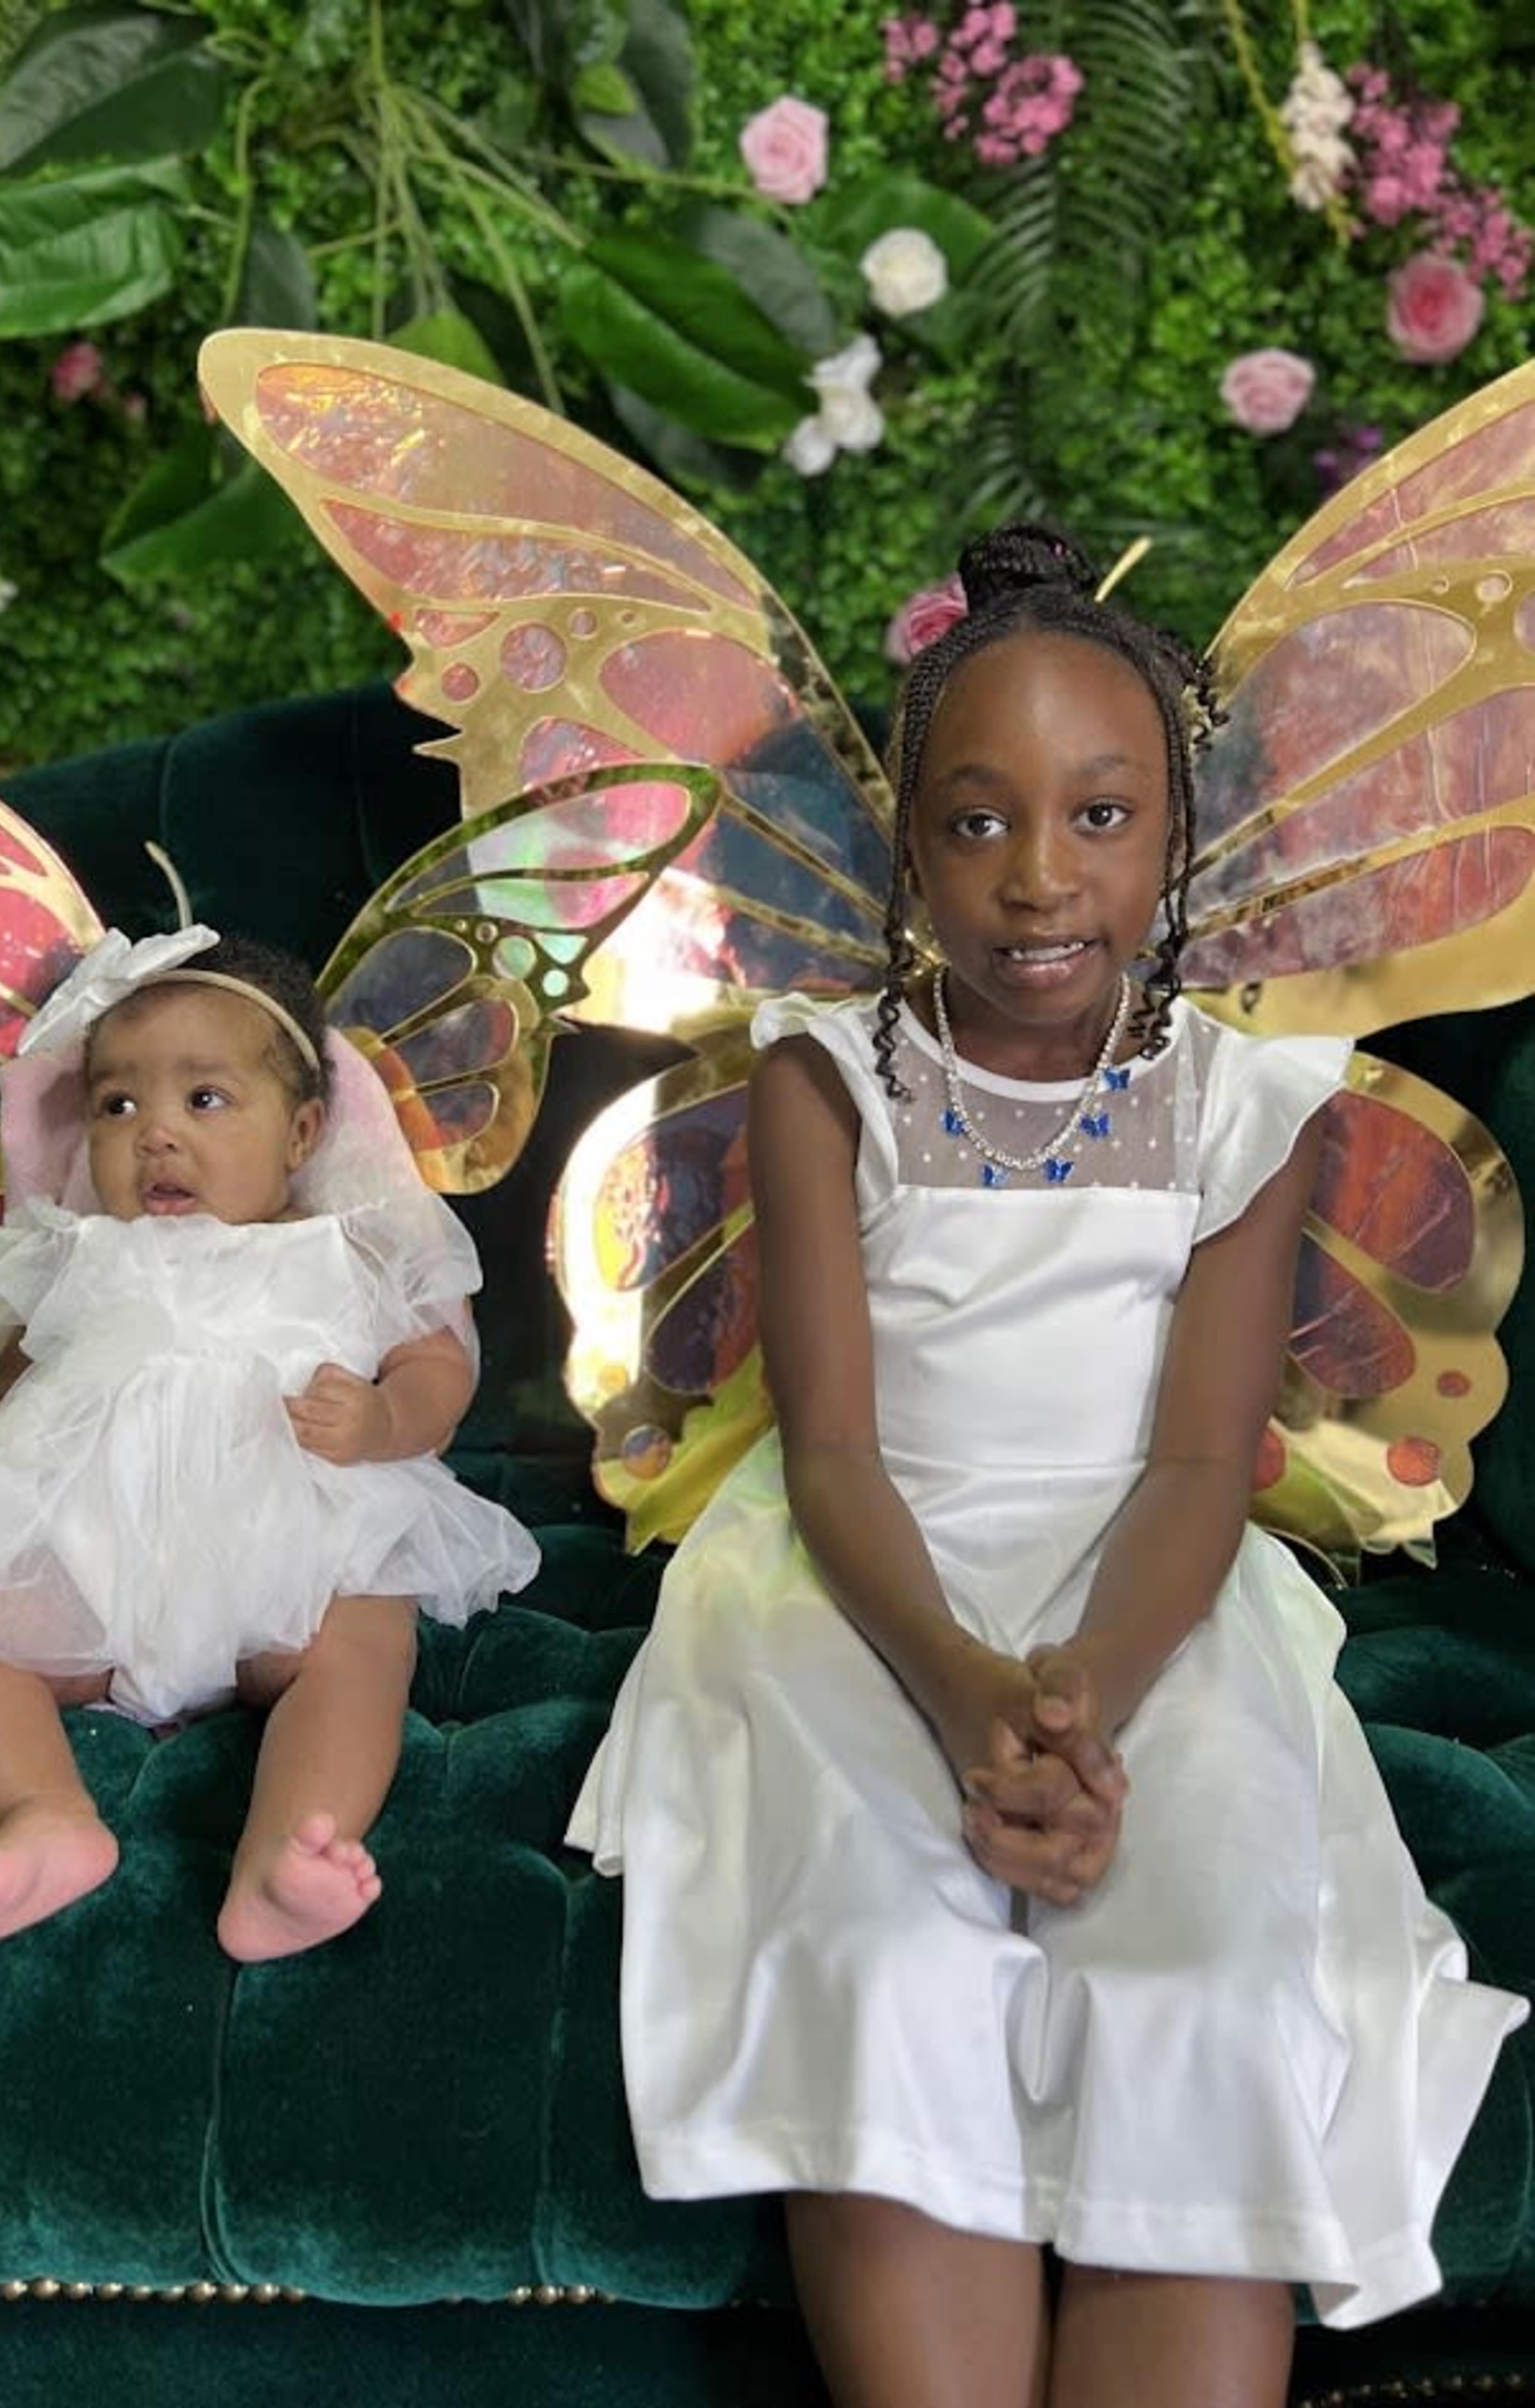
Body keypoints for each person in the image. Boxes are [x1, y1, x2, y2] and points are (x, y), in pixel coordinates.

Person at [565, 525, 1527, 2408]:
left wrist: (1077, 1700)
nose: (1039, 880)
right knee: (880, 1954)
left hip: (1149, 1590)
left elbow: (1192, 1469)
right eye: (980, 822)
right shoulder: (824, 1073)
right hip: (862, 1575)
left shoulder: (1247, 1104)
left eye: (1101, 817)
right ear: (909, 846)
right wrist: (972, 1691)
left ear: (1173, 842)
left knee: (1202, 1974)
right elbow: (831, 1445)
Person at [0, 926, 539, 1961]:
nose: (154, 1134)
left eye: (204, 1100)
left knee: (364, 1637)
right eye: (118, 1104)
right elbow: (20, 1378)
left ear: (301, 1134)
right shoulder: (81, 1252)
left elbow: (437, 1369)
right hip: (95, 1562)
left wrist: (382, 1421)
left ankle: (289, 1851)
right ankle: (42, 1815)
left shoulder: (343, 1247)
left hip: (283, 1550)